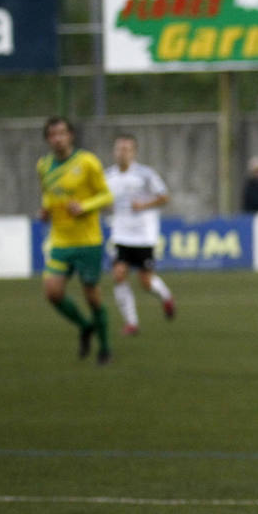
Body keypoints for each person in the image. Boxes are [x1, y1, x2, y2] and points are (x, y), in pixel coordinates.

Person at [36, 116, 114, 365]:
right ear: (48, 139)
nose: (57, 138)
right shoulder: (43, 166)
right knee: (52, 292)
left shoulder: (87, 162)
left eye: (62, 133)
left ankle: (105, 348)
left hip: (88, 240)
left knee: (92, 296)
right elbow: (48, 195)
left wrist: (85, 206)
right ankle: (85, 326)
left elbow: (106, 196)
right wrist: (45, 210)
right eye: (52, 134)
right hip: (60, 240)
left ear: (71, 135)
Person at [105, 134, 176, 336]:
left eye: (127, 149)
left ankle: (166, 296)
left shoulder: (146, 175)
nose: (122, 153)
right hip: (120, 235)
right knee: (119, 275)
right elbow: (103, 202)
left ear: (134, 152)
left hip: (144, 235)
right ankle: (131, 323)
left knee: (145, 282)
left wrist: (144, 205)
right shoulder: (107, 176)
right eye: (119, 149)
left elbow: (164, 197)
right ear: (114, 152)